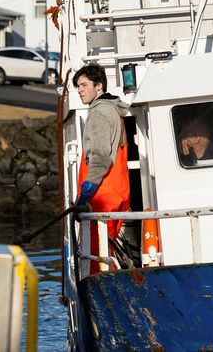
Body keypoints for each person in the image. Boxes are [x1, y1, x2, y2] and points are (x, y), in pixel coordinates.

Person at [72, 63, 130, 273]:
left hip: (101, 197)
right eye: (78, 86)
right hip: (118, 194)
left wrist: (85, 194)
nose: (79, 90)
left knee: (96, 263)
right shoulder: (115, 110)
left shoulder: (98, 113)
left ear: (99, 86)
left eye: (83, 85)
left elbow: (99, 158)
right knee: (108, 253)